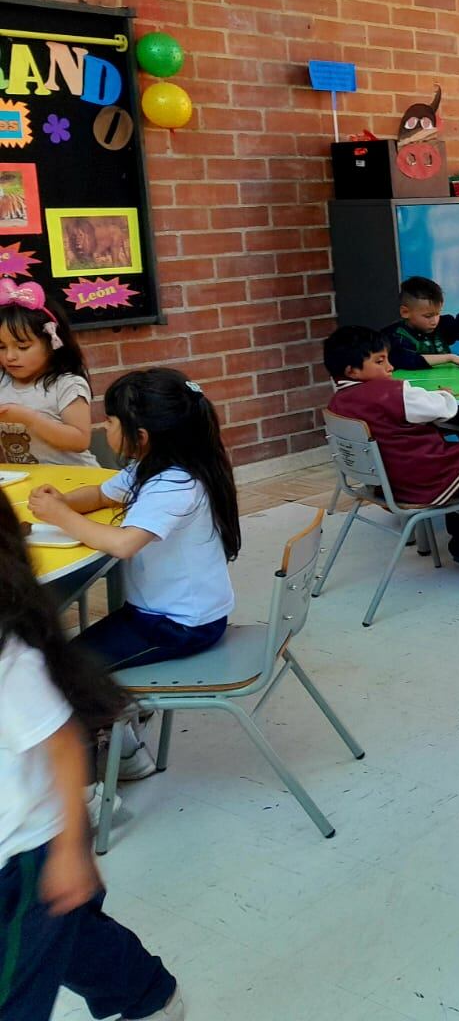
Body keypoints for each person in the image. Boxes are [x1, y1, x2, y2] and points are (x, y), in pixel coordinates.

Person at [0, 492, 185, 1021]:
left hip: (24, 851)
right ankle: (148, 994)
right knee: (70, 933)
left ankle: (148, 994)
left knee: (16, 984)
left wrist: (69, 851)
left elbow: (62, 746)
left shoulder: (10, 666)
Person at [28, 368, 240, 781]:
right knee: (66, 658)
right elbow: (103, 493)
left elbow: (124, 544)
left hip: (179, 626)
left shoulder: (174, 484)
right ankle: (121, 725)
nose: (102, 428)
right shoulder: (154, 467)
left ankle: (117, 758)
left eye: (109, 421)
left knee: (65, 672)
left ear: (140, 436)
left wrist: (61, 517)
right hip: (157, 614)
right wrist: (63, 502)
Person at [323, 325, 459, 581]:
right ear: (351, 371)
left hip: (384, 482)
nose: (390, 367)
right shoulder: (394, 393)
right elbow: (443, 409)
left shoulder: (337, 402)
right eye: (380, 361)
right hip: (424, 478)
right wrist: (444, 395)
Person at [0, 278, 97, 467]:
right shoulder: (2, 381)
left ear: (52, 342)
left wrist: (29, 420)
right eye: (1, 347)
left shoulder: (67, 385)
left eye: (22, 347)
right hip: (29, 480)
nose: (10, 356)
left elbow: (80, 441)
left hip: (76, 479)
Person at [381, 276, 459, 371]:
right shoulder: (394, 336)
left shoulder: (443, 325)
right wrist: (450, 358)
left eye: (437, 314)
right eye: (428, 316)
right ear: (405, 312)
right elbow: (406, 359)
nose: (434, 321)